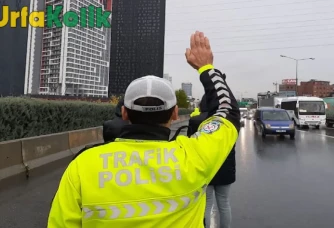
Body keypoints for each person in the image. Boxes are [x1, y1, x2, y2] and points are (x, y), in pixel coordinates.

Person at [48, 31, 240, 228]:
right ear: (175, 113)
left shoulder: (82, 165)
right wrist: (206, 67)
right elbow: (228, 109)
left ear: (124, 113)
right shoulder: (194, 157)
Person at [187, 94, 236, 228]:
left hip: (204, 168)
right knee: (224, 203)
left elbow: (190, 144)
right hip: (225, 167)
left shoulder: (195, 120)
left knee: (206, 204)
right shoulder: (228, 121)